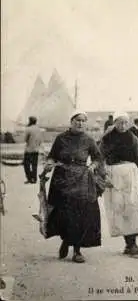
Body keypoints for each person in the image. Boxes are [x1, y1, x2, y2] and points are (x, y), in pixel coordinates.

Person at [43, 111, 103, 263]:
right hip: (62, 179)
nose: (80, 123)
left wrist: (92, 166)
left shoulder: (88, 140)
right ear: (71, 121)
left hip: (81, 179)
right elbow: (52, 156)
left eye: (83, 120)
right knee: (64, 213)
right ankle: (65, 240)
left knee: (80, 213)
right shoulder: (61, 139)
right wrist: (49, 163)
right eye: (77, 120)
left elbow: (97, 157)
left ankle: (77, 250)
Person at [99, 112, 138, 256]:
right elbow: (99, 156)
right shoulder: (107, 138)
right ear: (114, 123)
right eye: (120, 122)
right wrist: (103, 175)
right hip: (114, 175)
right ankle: (129, 243)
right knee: (119, 207)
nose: (123, 126)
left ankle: (131, 243)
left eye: (126, 123)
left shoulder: (132, 138)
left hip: (130, 174)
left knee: (132, 207)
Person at [23, 116, 43, 184]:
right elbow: (40, 140)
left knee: (26, 165)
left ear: (30, 121)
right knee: (34, 165)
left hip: (28, 150)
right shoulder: (38, 129)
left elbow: (25, 139)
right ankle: (34, 179)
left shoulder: (28, 129)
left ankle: (29, 179)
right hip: (36, 150)